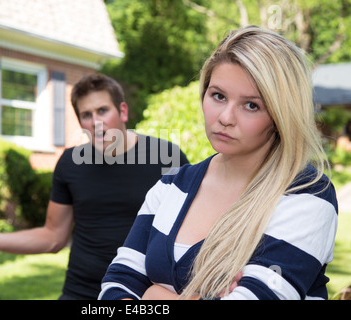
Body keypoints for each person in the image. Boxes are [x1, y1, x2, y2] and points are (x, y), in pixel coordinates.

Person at [99, 26, 338, 300]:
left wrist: (155, 294)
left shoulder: (306, 195)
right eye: (218, 96)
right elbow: (117, 286)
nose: (225, 117)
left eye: (251, 105)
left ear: (280, 116)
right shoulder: (171, 185)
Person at [0, 73, 189, 300]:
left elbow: (189, 230)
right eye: (86, 115)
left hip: (139, 293)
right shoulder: (70, 164)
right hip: (80, 291)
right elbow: (53, 236)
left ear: (122, 111)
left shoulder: (165, 157)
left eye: (102, 111)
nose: (96, 123)